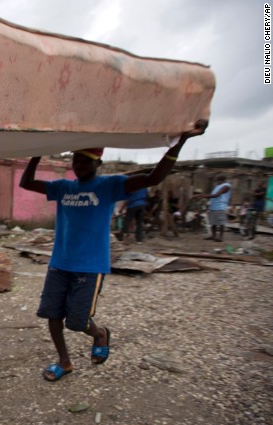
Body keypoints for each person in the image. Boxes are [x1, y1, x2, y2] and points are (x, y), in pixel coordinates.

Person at [18, 120, 207, 382]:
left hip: (90, 266)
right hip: (59, 263)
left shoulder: (109, 185)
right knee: (52, 315)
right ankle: (65, 361)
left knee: (77, 321)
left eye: (84, 161)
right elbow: (26, 182)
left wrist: (181, 141)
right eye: (75, 160)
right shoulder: (63, 187)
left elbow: (154, 178)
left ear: (98, 164)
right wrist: (40, 150)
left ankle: (100, 334)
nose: (78, 165)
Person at [198, 175, 231, 242]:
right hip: (213, 206)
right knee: (213, 222)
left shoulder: (226, 186)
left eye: (217, 180)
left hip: (221, 206)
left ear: (221, 180)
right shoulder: (217, 186)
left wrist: (203, 196)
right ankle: (213, 236)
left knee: (221, 222)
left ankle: (221, 237)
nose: (216, 181)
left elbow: (217, 195)